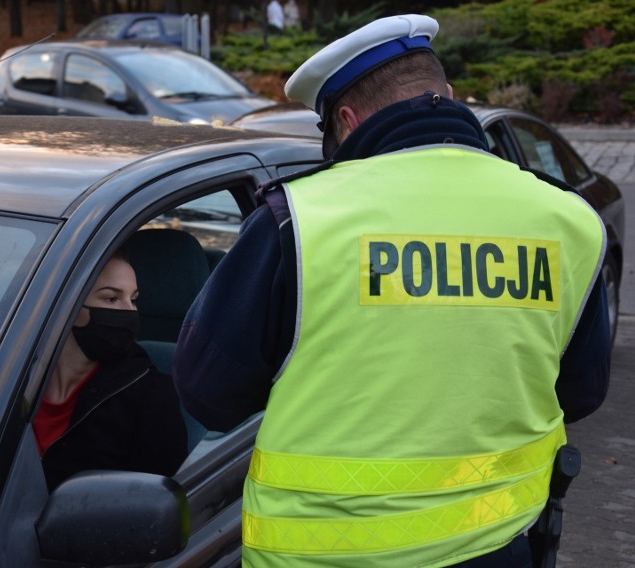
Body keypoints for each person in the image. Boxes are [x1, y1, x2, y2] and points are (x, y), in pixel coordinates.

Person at [173, 13, 611, 568]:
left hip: (323, 557)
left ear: (348, 122)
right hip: (498, 544)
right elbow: (582, 392)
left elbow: (208, 393)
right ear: (448, 96)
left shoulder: (300, 220)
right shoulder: (566, 218)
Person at [34, 250, 188, 491]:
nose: (130, 312)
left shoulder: (153, 396)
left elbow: (154, 504)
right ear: (67, 306)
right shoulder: (10, 377)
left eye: (133, 299)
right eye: (111, 299)